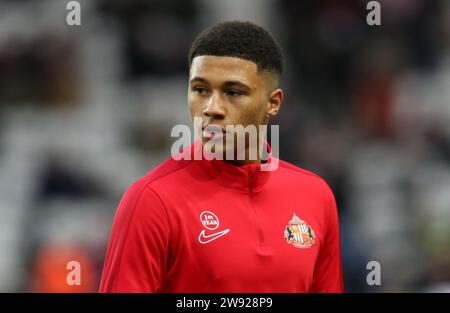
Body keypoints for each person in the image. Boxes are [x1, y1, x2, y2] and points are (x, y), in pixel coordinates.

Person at [99, 21, 344, 292]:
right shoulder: (152, 201)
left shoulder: (316, 197)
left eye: (233, 92)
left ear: (273, 103)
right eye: (201, 90)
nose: (211, 109)